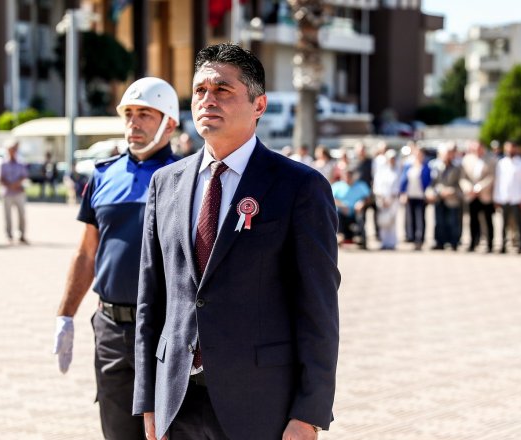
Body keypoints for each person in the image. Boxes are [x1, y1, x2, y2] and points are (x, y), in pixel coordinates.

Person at [134, 43, 340, 440]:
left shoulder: (300, 187)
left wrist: (309, 413)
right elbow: (151, 301)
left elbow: (318, 310)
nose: (207, 100)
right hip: (176, 401)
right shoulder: (165, 184)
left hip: (260, 405)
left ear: (259, 104)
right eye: (200, 90)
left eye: (222, 90)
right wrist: (147, 399)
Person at [53, 77, 180, 440]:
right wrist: (65, 315)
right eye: (129, 114)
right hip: (110, 329)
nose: (133, 123)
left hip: (164, 330)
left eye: (145, 114)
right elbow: (86, 252)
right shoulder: (102, 175)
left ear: (169, 123)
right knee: (117, 432)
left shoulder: (187, 177)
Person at [494, 140, 521, 254]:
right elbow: (498, 181)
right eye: (507, 148)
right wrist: (497, 197)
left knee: (520, 223)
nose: (510, 150)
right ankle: (503, 244)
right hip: (504, 197)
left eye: (512, 148)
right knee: (504, 224)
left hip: (517, 198)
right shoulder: (501, 163)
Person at [460, 140, 496, 252]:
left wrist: (479, 187)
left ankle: (490, 244)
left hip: (485, 194)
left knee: (487, 220)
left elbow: (491, 176)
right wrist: (468, 188)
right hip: (471, 195)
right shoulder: (467, 160)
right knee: (472, 220)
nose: (477, 150)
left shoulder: (490, 159)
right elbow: (463, 178)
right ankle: (473, 243)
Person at [430, 143, 463, 251]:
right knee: (439, 221)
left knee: (453, 222)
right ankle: (439, 242)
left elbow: (460, 182)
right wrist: (439, 191)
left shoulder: (457, 167)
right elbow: (433, 183)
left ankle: (454, 242)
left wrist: (452, 190)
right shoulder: (435, 167)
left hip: (452, 198)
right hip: (439, 198)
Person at [399, 146, 431, 250]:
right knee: (410, 218)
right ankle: (411, 238)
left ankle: (420, 239)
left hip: (421, 196)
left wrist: (428, 192)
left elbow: (429, 181)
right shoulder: (408, 166)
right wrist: (403, 193)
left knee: (420, 218)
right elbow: (403, 180)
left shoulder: (426, 166)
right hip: (410, 195)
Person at [0, 139, 28, 244]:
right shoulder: (3, 164)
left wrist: (17, 184)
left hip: (19, 192)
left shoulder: (20, 163)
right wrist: (10, 185)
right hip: (7, 193)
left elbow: (24, 176)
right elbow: (0, 178)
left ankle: (22, 234)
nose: (12, 152)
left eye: (14, 149)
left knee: (21, 215)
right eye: (11, 150)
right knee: (7, 216)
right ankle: (9, 235)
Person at [332, 169, 371, 248]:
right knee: (337, 214)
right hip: (341, 212)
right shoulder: (337, 186)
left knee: (360, 216)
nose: (348, 178)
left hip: (356, 211)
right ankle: (339, 235)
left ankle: (360, 237)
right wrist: (341, 204)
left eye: (349, 176)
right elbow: (331, 199)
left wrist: (362, 203)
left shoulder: (361, 185)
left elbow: (368, 198)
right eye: (346, 176)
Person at [373, 149, 400, 250]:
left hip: (393, 201)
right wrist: (382, 199)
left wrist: (391, 199)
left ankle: (392, 242)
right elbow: (377, 187)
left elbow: (397, 187)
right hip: (382, 201)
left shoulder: (397, 171)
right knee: (383, 222)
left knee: (392, 222)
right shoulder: (380, 172)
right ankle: (384, 242)